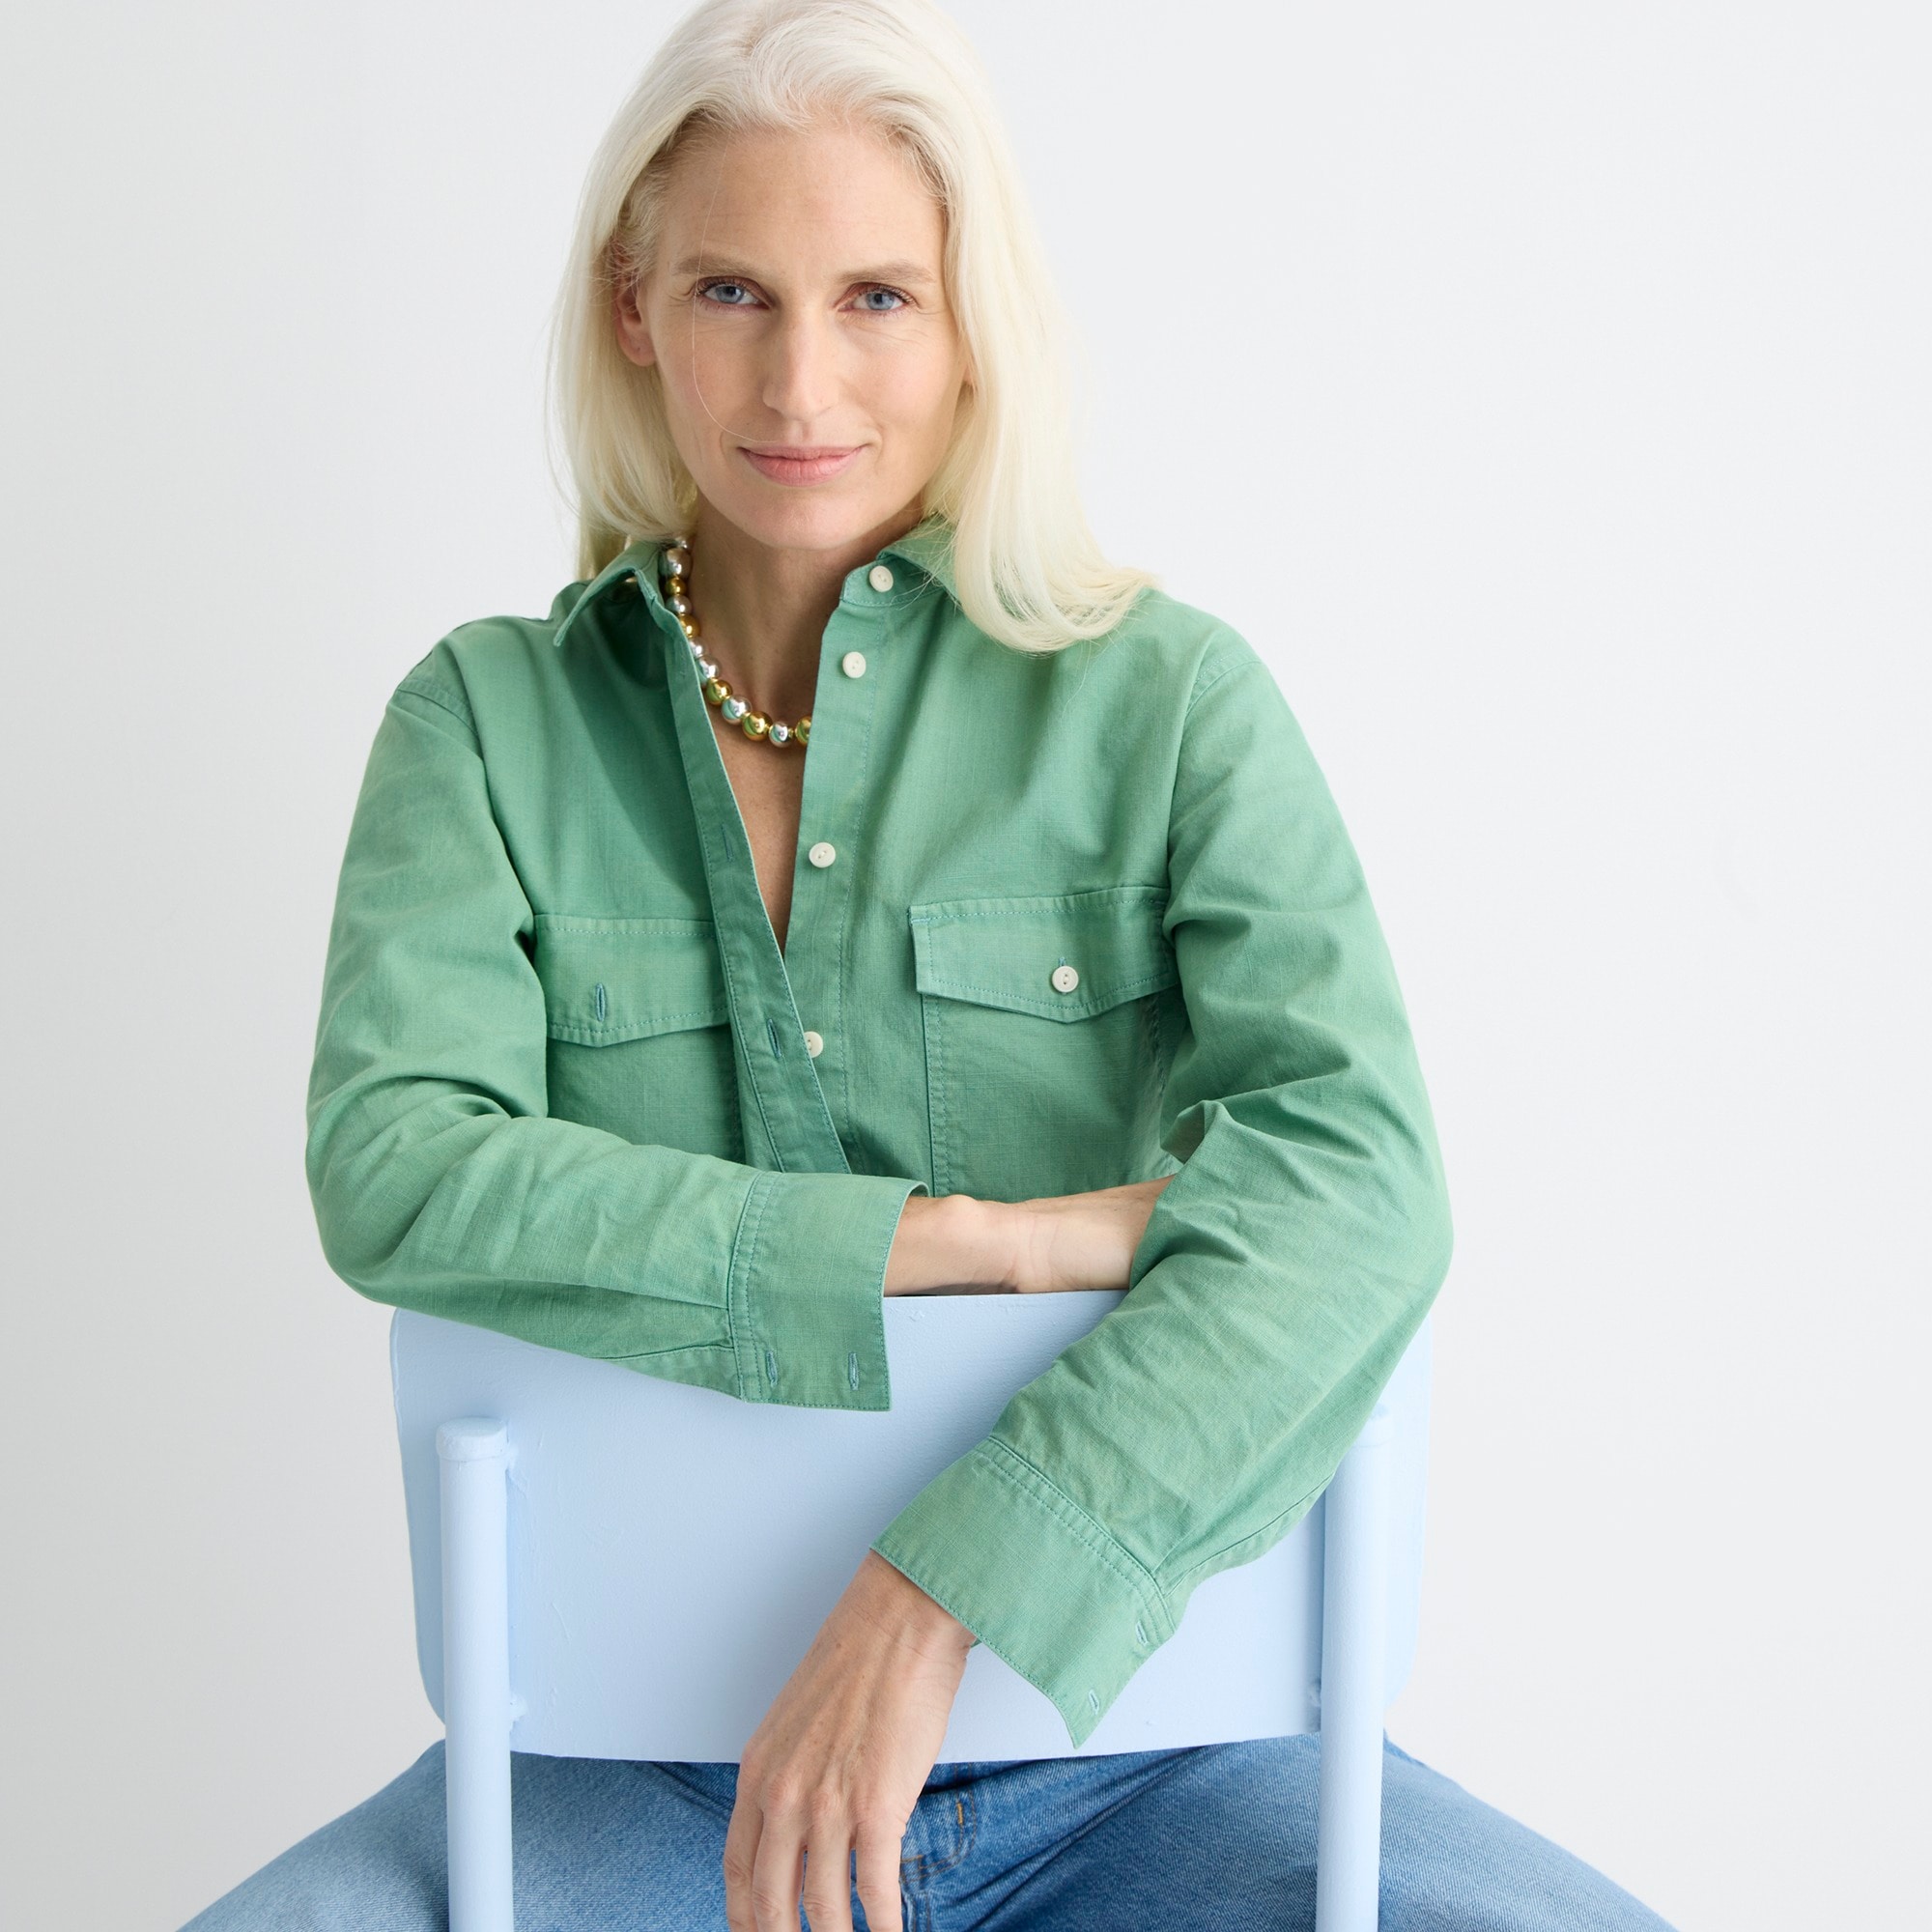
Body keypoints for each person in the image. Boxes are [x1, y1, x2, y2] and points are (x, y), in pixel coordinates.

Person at [184, 2, 1674, 1926]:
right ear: (635, 305)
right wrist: (971, 1240)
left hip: (1150, 1757)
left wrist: (938, 1593)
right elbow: (397, 1164)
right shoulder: (483, 725)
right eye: (733, 290)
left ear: (974, 321)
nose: (800, 380)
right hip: (630, 1780)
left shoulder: (1169, 703)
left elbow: (1357, 1191)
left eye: (877, 296)